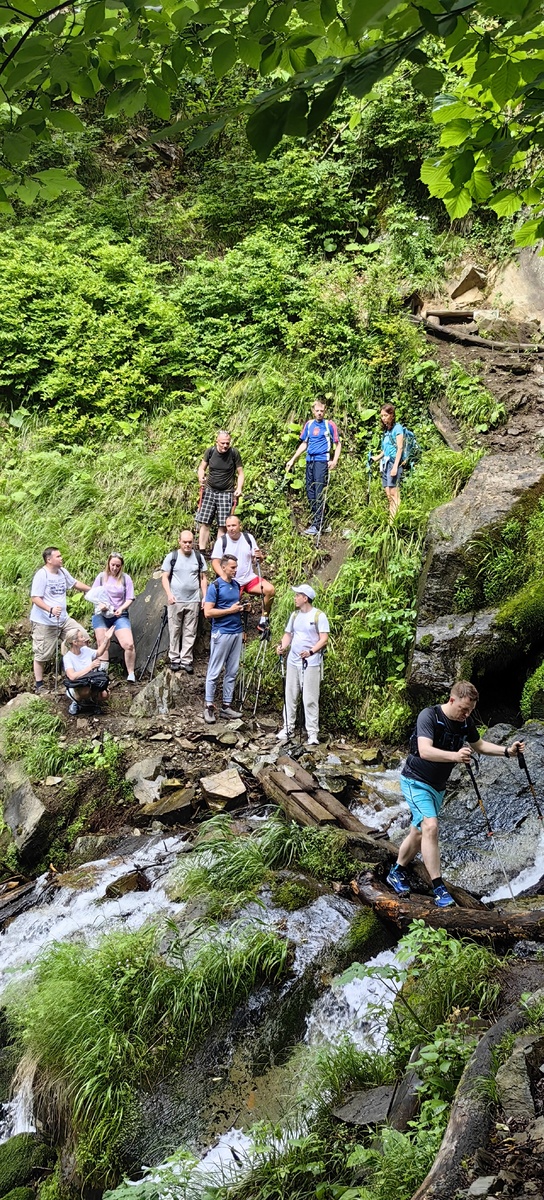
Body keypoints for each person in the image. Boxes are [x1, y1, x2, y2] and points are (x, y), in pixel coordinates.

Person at [387, 681, 525, 908]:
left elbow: (479, 745)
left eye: (470, 710)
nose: (466, 714)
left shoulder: (465, 722)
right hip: (415, 781)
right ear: (452, 700)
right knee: (430, 826)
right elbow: (424, 750)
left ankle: (397, 871)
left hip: (437, 787)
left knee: (419, 831)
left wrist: (507, 752)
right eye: (463, 709)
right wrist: (455, 756)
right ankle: (439, 888)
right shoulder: (429, 716)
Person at [30, 547, 90, 693]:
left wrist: (91, 589)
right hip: (44, 622)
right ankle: (39, 685)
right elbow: (35, 598)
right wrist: (49, 609)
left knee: (83, 638)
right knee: (42, 654)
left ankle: (76, 674)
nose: (61, 558)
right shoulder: (42, 575)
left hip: (63, 619)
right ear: (49, 559)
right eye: (58, 556)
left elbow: (74, 583)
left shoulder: (62, 572)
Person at [275, 584, 329, 747]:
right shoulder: (294, 616)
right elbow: (288, 635)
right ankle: (288, 727)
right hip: (293, 661)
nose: (294, 598)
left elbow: (323, 639)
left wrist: (311, 652)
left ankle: (312, 733)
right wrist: (283, 647)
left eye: (297, 595)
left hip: (311, 663)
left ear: (305, 598)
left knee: (310, 698)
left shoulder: (319, 616)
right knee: (290, 694)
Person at [285, 400, 341, 537]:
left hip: (322, 461)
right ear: (313, 411)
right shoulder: (309, 424)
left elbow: (338, 444)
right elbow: (305, 443)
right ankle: (322, 522)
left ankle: (317, 525)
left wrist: (334, 460)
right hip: (310, 460)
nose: (320, 413)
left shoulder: (329, 425)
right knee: (310, 491)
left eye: (322, 411)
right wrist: (293, 459)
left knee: (318, 491)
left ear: (325, 411)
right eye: (317, 411)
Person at [203, 554, 247, 724]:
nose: (235, 570)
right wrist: (230, 610)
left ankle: (226, 706)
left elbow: (235, 608)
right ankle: (208, 706)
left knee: (232, 670)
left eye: (236, 567)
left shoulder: (236, 586)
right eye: (233, 567)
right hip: (221, 632)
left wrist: (243, 610)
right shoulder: (215, 586)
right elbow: (208, 612)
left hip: (236, 632)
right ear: (223, 567)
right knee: (214, 670)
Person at [211, 515, 275, 632]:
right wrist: (224, 577)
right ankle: (233, 628)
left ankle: (264, 619)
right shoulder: (222, 541)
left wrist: (260, 557)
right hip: (232, 581)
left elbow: (257, 559)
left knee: (269, 590)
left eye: (234, 525)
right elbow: (215, 562)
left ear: (240, 526)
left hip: (249, 578)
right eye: (228, 526)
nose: (231, 528)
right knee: (231, 606)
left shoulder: (248, 538)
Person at [161, 531, 208, 674]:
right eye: (185, 542)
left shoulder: (199, 557)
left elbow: (203, 578)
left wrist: (205, 596)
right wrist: (169, 594)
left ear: (193, 542)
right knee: (174, 629)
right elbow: (164, 577)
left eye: (190, 542)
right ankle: (174, 659)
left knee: (190, 630)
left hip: (193, 599)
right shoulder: (172, 557)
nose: (187, 544)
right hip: (176, 600)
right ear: (179, 541)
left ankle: (186, 660)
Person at [91, 553, 136, 682]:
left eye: (118, 565)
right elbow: (93, 595)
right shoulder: (101, 577)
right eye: (113, 565)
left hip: (118, 614)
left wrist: (121, 608)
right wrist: (101, 605)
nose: (115, 568)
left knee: (128, 644)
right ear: (108, 564)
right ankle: (103, 673)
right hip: (102, 614)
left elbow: (130, 598)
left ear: (121, 566)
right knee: (103, 642)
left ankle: (131, 673)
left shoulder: (125, 579)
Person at [196, 431, 244, 552]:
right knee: (205, 522)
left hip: (226, 492)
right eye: (222, 443)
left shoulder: (234, 453)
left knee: (222, 525)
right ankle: (201, 551)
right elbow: (202, 468)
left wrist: (239, 488)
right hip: (210, 490)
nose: (225, 446)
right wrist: (201, 477)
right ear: (217, 441)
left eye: (227, 443)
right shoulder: (210, 451)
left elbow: (241, 473)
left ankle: (218, 552)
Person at [63, 627, 113, 716]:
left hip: (91, 681)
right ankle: (76, 702)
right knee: (85, 691)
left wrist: (106, 638)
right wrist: (90, 667)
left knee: (105, 694)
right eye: (81, 637)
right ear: (75, 642)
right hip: (78, 685)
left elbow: (99, 653)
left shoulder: (85, 650)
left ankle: (93, 702)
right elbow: (72, 676)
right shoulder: (68, 657)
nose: (84, 639)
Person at [374, 404, 404, 520]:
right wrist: (376, 458)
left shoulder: (398, 428)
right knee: (388, 495)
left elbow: (400, 448)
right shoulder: (386, 431)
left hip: (393, 463)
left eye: (386, 415)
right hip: (385, 464)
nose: (383, 418)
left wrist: (395, 466)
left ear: (392, 415)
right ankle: (391, 519)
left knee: (394, 494)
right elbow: (385, 450)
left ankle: (394, 522)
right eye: (382, 416)